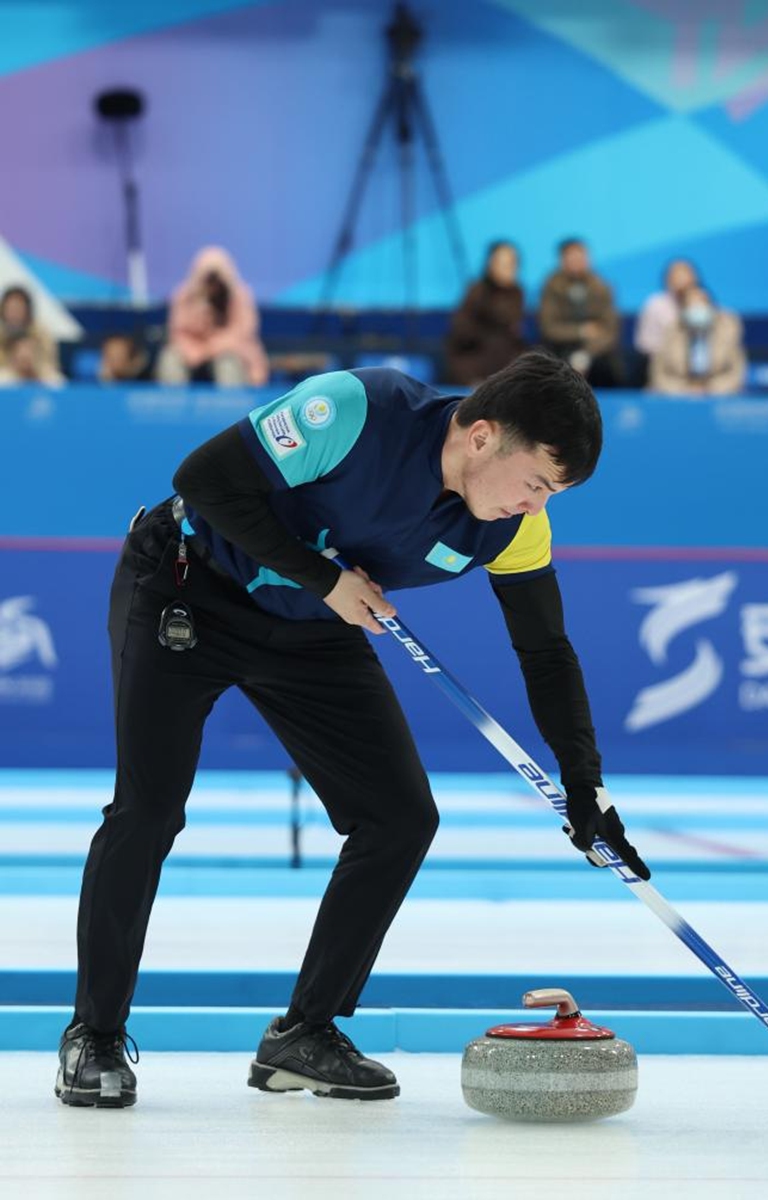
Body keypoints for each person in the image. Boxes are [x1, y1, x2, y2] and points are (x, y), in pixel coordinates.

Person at [55, 352, 650, 1109]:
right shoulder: (356, 410)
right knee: (148, 810)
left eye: (554, 494)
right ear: (481, 438)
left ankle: (305, 1034)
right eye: (536, 483)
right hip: (186, 586)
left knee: (399, 819)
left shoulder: (514, 531)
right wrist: (326, 577)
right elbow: (204, 479)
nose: (537, 507)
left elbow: (545, 652)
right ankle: (94, 1037)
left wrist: (583, 783)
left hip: (313, 625)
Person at [157, 246, 269, 387]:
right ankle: (173, 404)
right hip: (193, 354)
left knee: (227, 363)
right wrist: (194, 349)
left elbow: (243, 334)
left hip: (232, 352)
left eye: (217, 279)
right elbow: (178, 332)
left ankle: (231, 406)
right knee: (170, 359)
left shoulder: (240, 297)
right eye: (208, 279)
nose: (213, 285)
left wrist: (212, 348)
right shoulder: (184, 295)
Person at [538, 239, 624, 387]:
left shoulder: (601, 286)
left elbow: (610, 330)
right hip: (560, 348)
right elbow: (549, 328)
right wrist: (581, 331)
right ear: (562, 260)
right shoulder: (551, 286)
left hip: (596, 350)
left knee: (612, 367)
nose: (577, 262)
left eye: (581, 257)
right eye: (571, 257)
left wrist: (587, 353)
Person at [445, 240, 526, 385]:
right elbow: (461, 335)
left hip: (505, 367)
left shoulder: (517, 293)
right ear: (491, 265)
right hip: (474, 365)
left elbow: (514, 334)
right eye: (504, 264)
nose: (510, 269)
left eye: (513, 264)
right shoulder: (477, 291)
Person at [649, 284, 746, 396]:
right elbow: (658, 373)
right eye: (691, 304)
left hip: (719, 396)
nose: (697, 308)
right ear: (683, 309)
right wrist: (682, 390)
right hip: (678, 396)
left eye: (702, 303)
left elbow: (737, 372)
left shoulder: (728, 330)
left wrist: (711, 389)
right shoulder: (671, 330)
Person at [0, 285, 61, 381]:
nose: (14, 313)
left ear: (27, 310)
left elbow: (51, 363)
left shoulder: (41, 334)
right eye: (11, 308)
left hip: (37, 375)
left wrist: (30, 364)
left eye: (18, 308)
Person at [0, 331, 65, 386]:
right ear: (13, 356)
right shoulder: (3, 380)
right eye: (23, 359)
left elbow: (64, 394)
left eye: (30, 350)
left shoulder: (51, 378)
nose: (27, 355)